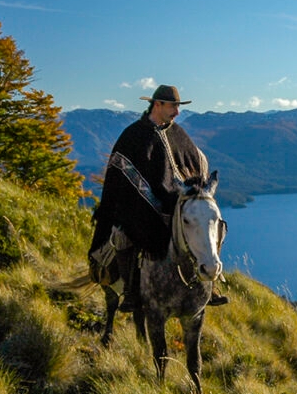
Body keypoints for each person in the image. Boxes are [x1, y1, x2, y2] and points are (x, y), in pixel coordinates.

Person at [88, 84, 227, 310]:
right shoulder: (133, 135)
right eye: (173, 106)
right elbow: (120, 174)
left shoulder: (177, 133)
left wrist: (191, 192)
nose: (177, 112)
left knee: (211, 225)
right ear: (157, 104)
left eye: (178, 106)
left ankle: (211, 283)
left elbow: (195, 164)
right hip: (138, 207)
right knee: (124, 234)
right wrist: (140, 202)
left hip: (178, 205)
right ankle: (131, 292)